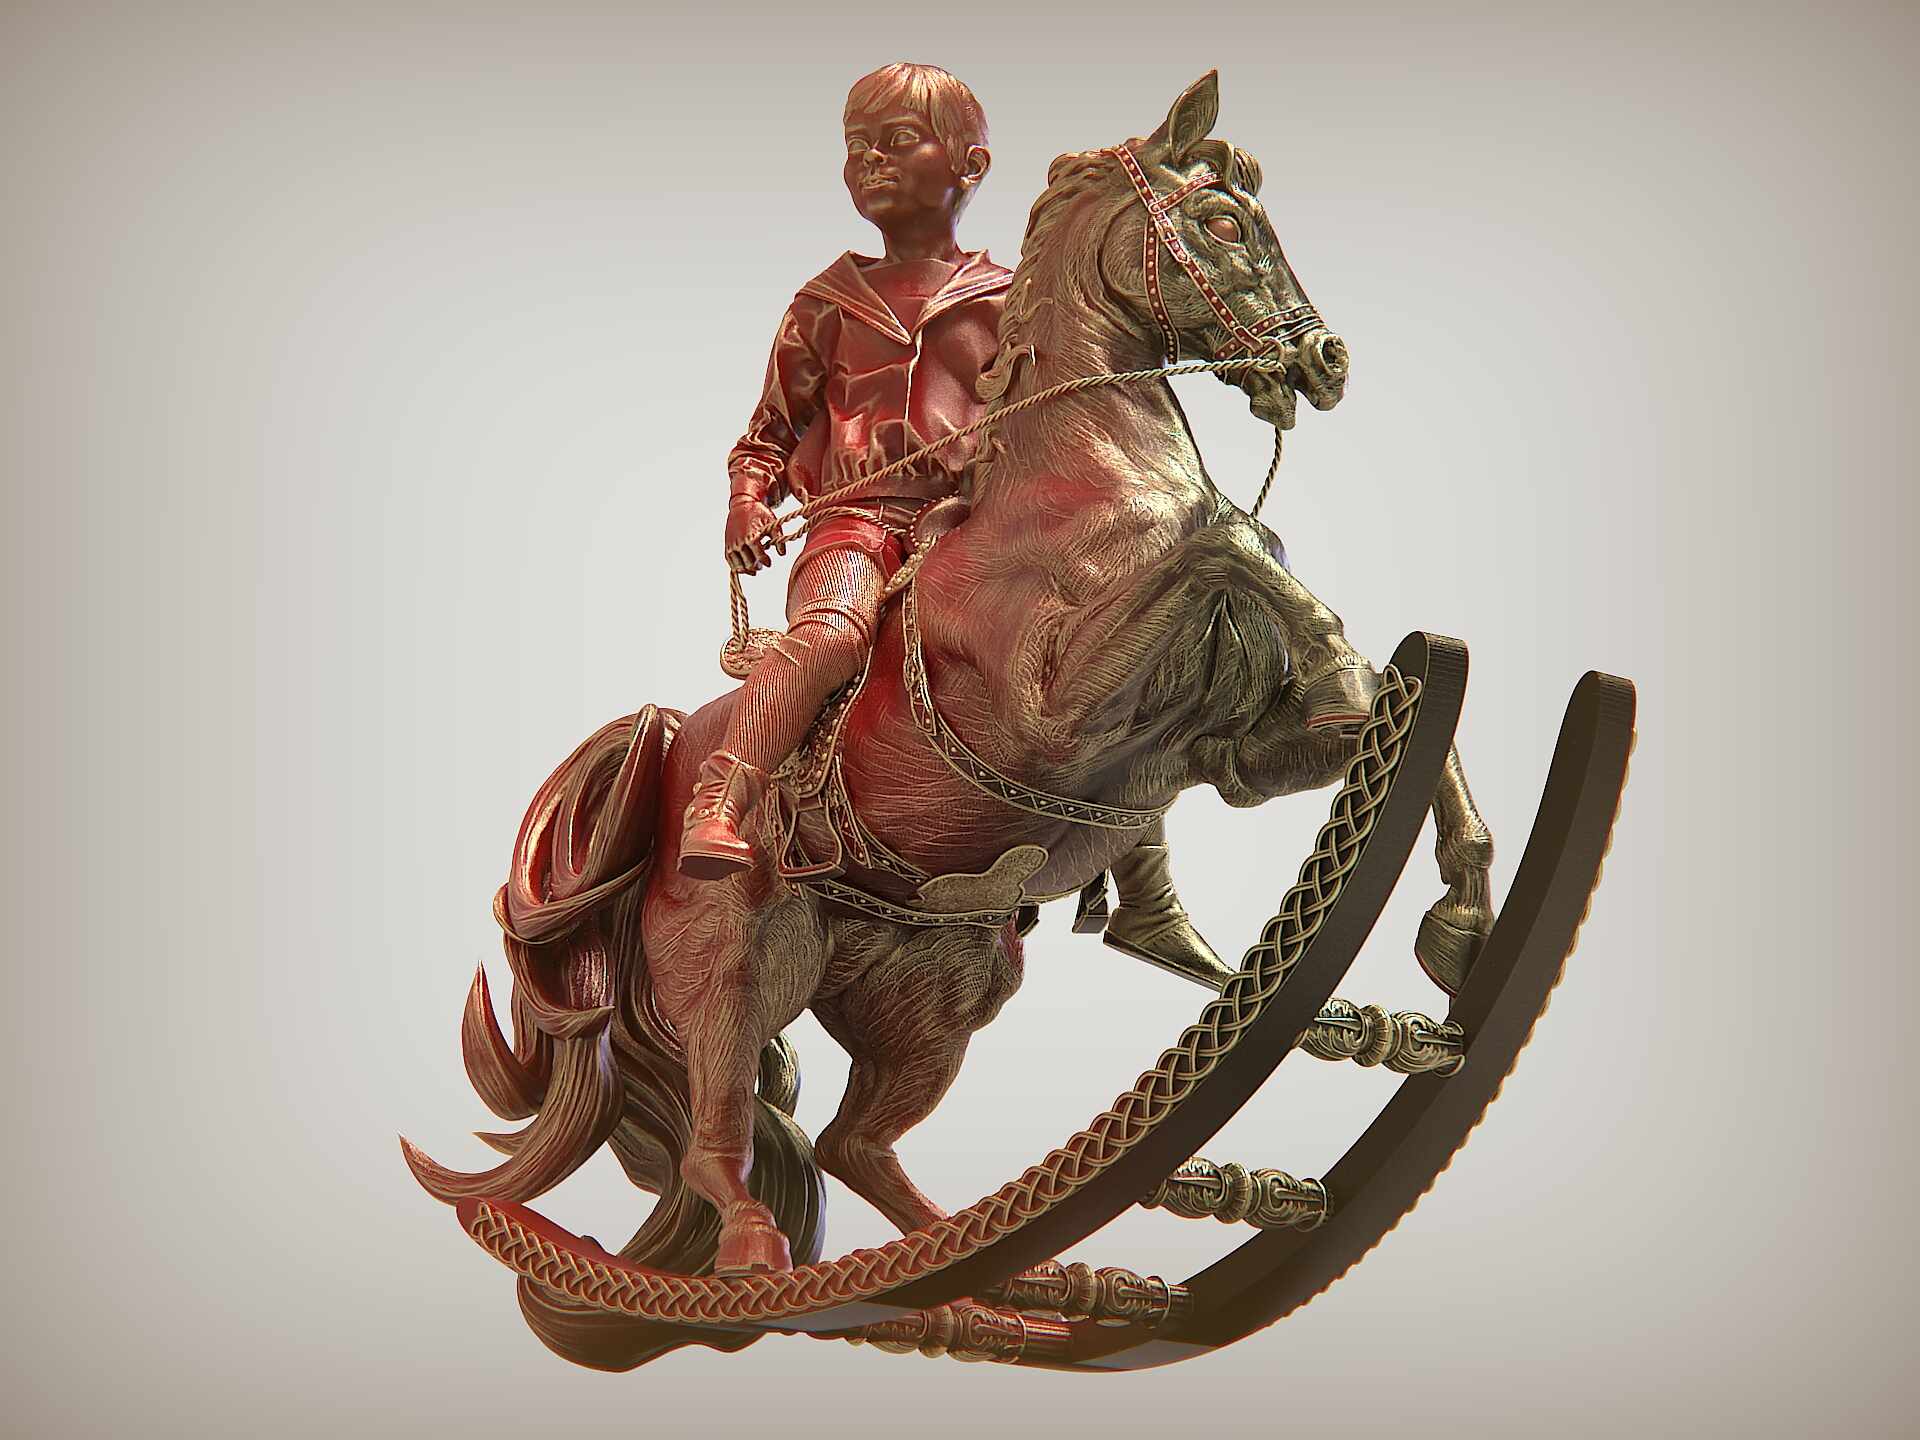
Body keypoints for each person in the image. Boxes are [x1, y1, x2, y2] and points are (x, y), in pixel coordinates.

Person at [680, 62, 1222, 984]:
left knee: (1103, 651)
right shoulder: (824, 305)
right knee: (830, 635)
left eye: (898, 141)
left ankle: (1148, 892)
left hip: (976, 525)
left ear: (970, 166)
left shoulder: (1014, 298)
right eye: (857, 146)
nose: (870, 161)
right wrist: (747, 501)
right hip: (857, 523)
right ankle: (720, 799)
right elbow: (767, 434)